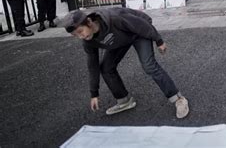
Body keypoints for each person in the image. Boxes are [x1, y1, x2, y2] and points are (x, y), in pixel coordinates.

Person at [60, 7, 189, 118]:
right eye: (76, 35)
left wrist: (158, 40)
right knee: (106, 68)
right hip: (120, 39)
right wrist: (94, 93)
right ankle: (124, 100)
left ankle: (178, 99)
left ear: (89, 22)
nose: (81, 37)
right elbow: (92, 66)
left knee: (149, 66)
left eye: (80, 32)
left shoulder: (114, 18)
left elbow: (141, 25)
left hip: (138, 31)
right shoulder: (88, 41)